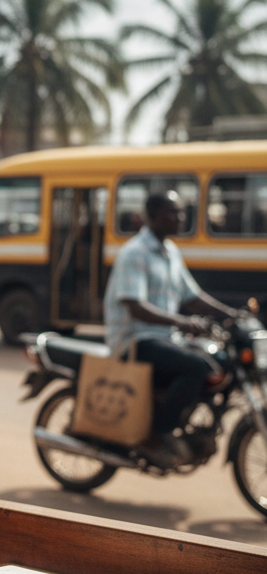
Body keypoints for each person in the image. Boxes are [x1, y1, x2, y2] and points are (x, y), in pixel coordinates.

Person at [103, 191, 242, 466]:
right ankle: (157, 435)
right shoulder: (135, 253)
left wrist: (231, 314)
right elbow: (135, 306)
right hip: (134, 341)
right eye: (173, 212)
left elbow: (192, 296)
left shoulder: (170, 251)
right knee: (194, 367)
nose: (180, 217)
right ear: (152, 217)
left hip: (164, 338)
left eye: (180, 211)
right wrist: (182, 322)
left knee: (221, 361)